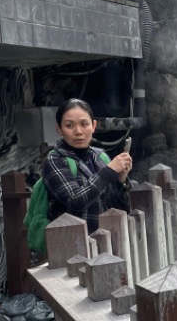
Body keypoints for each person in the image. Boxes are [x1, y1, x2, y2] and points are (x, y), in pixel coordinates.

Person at [42, 98, 132, 233]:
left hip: (108, 240)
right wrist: (109, 171)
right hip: (73, 243)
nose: (78, 131)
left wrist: (121, 180)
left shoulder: (100, 157)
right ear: (59, 129)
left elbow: (121, 208)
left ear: (93, 126)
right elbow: (74, 201)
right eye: (69, 125)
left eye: (84, 124)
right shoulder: (54, 160)